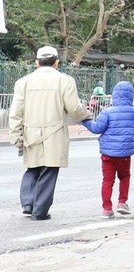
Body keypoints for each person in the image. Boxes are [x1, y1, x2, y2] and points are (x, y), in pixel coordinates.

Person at [10, 46, 91, 220]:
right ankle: (39, 212)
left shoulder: (22, 82)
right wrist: (87, 116)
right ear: (56, 62)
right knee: (49, 170)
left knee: (32, 167)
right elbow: (74, 109)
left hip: (30, 133)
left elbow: (15, 113)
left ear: (36, 62)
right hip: (54, 134)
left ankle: (28, 203)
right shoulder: (65, 81)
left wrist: (16, 136)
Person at [80, 81, 134, 218]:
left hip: (107, 154)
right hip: (125, 154)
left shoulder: (107, 112)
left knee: (107, 180)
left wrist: (85, 121)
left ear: (114, 95)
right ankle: (122, 202)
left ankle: (107, 209)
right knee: (125, 176)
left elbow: (97, 129)